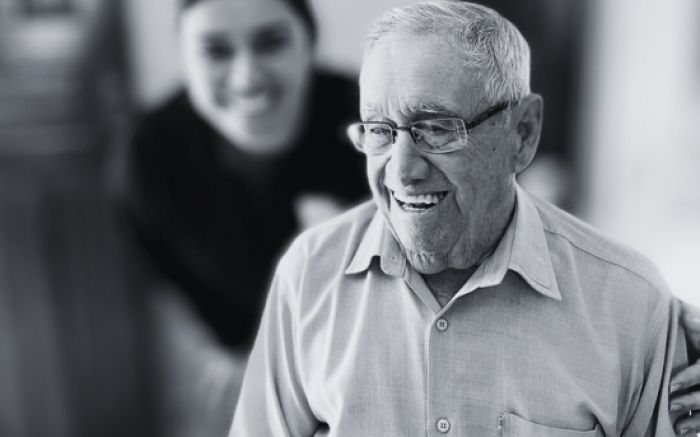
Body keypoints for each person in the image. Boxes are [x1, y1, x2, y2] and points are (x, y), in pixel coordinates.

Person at [229, 1, 697, 435]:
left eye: (436, 128)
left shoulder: (630, 306)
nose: (402, 171)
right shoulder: (309, 275)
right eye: (379, 131)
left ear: (523, 133)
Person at [117, 0, 367, 435]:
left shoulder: (373, 122)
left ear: (309, 43)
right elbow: (157, 253)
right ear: (184, 57)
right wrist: (229, 341)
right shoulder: (152, 150)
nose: (246, 76)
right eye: (216, 51)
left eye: (271, 42)